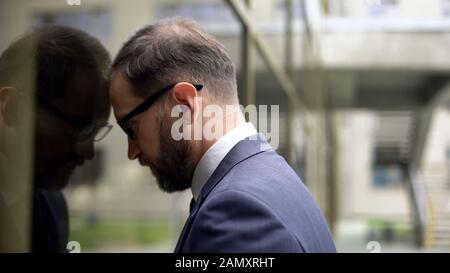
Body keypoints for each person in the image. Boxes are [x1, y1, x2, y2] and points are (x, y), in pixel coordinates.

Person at [109, 17, 336, 253]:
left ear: (183, 106)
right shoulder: (271, 176)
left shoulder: (236, 213)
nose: (131, 151)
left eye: (130, 128)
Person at [0, 25, 112, 252]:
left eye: (94, 133)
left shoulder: (54, 206)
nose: (88, 153)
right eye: (82, 129)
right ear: (12, 107)